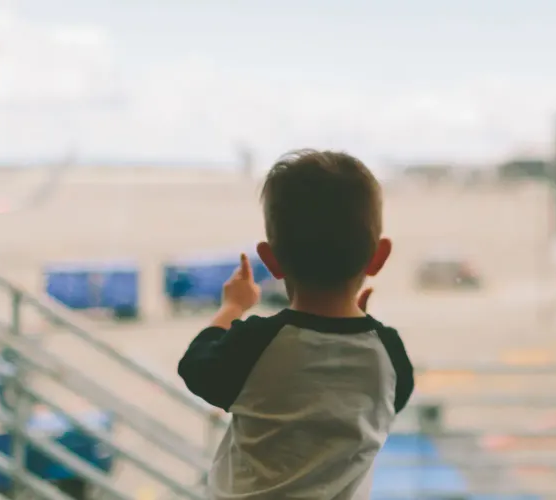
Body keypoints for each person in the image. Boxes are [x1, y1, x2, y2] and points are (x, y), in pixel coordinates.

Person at [177, 149, 414, 499]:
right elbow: (387, 400)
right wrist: (361, 331)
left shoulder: (258, 343)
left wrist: (232, 307)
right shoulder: (388, 353)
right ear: (379, 257)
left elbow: (196, 368)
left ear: (271, 260)